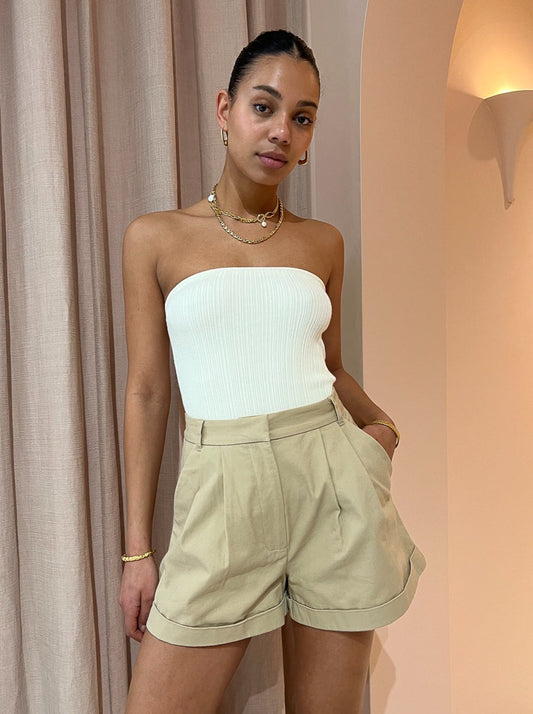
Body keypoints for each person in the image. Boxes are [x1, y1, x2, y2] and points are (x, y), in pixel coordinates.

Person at [119, 29, 425, 714]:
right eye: (264, 107)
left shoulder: (322, 243)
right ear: (224, 109)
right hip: (223, 489)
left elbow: (331, 366)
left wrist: (381, 430)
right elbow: (146, 391)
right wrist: (137, 552)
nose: (282, 131)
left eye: (302, 117)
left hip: (331, 483)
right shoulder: (155, 237)